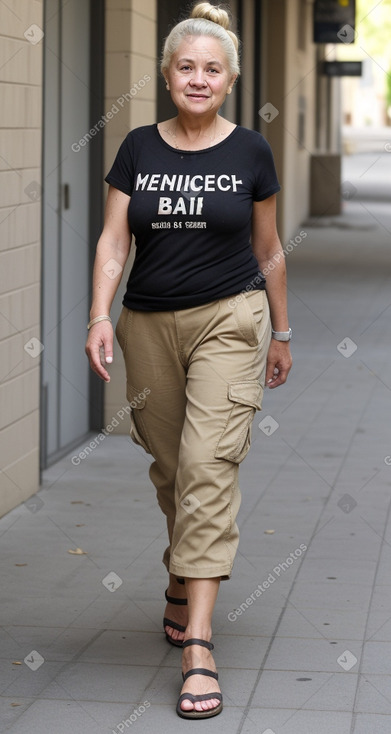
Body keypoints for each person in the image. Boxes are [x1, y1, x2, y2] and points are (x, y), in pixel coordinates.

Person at [85, 1, 292, 720]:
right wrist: (97, 317)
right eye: (185, 67)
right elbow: (115, 243)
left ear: (228, 78)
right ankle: (183, 573)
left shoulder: (250, 153)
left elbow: (267, 250)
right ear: (167, 74)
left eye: (211, 68)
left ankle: (198, 643)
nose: (197, 79)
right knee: (171, 465)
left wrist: (283, 333)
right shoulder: (138, 149)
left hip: (231, 320)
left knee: (208, 465)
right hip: (147, 324)